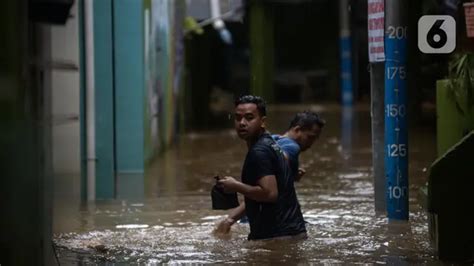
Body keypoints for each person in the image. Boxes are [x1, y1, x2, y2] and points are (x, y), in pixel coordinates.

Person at [214, 95, 306, 240]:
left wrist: (236, 186)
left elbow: (269, 194)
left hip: (277, 238)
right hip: (291, 233)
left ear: (262, 122)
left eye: (249, 117)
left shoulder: (259, 152)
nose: (242, 123)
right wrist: (230, 219)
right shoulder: (270, 143)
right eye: (238, 118)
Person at [272, 111, 325, 182]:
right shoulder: (293, 147)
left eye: (315, 139)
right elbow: (278, 160)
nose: (312, 143)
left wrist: (291, 174)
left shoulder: (273, 138)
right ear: (297, 130)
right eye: (310, 137)